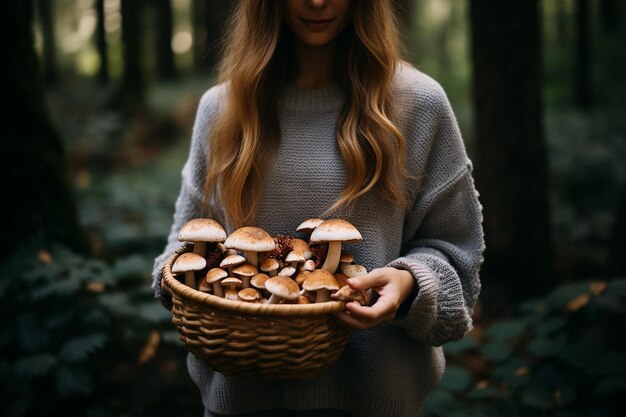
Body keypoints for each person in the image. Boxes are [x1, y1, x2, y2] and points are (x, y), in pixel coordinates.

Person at [152, 0, 484, 416]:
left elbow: (458, 255)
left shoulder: (418, 104)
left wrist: (408, 285)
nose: (317, 1)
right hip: (242, 398)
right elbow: (180, 251)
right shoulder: (222, 109)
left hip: (370, 396)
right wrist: (184, 286)